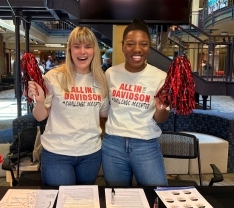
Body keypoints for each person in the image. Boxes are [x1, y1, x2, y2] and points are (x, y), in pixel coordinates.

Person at [27, 26, 109, 186]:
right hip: (57, 153)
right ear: (70, 50)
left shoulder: (101, 80)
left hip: (90, 153)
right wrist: (39, 100)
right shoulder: (54, 77)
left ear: (94, 50)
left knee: (84, 202)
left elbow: (104, 114)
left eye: (87, 46)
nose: (82, 52)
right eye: (77, 46)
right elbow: (40, 116)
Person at [102, 18, 170, 186]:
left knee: (156, 196)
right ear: (123, 46)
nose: (137, 49)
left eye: (143, 44)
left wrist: (161, 108)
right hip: (113, 145)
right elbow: (104, 110)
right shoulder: (110, 73)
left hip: (146, 145)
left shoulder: (160, 77)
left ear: (150, 46)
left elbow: (160, 118)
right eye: (131, 44)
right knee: (117, 199)